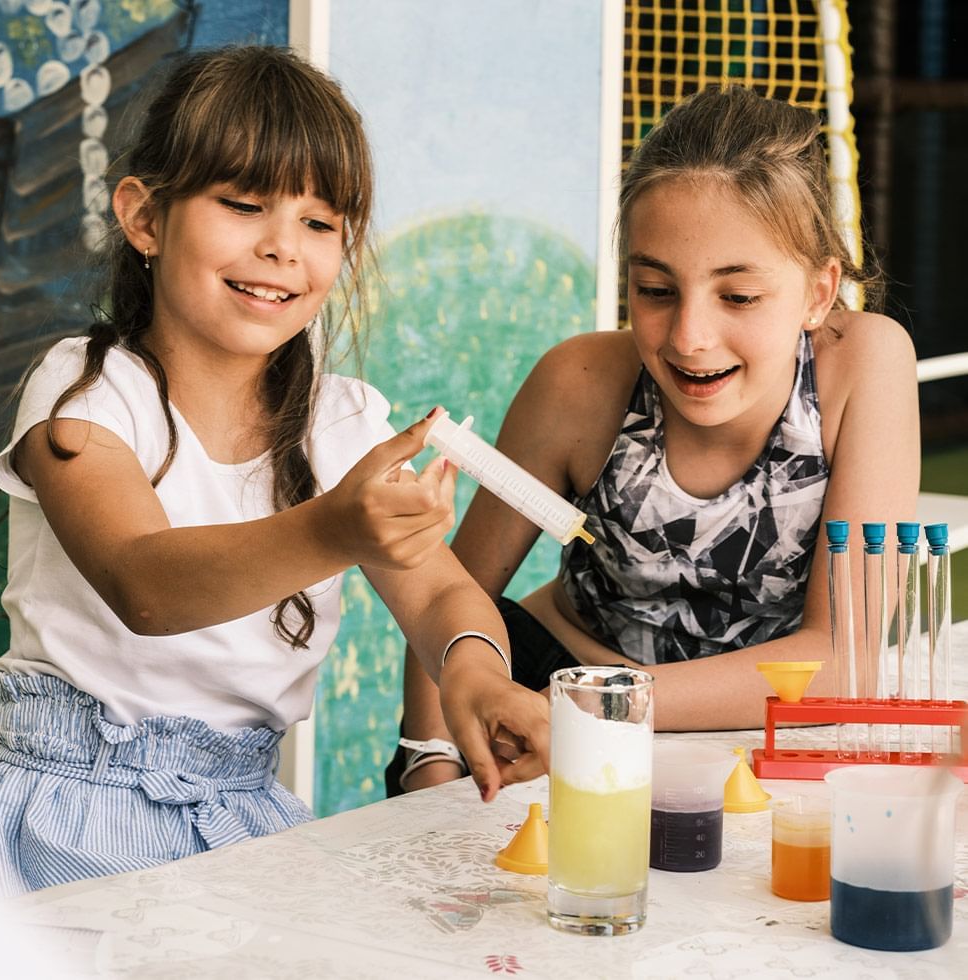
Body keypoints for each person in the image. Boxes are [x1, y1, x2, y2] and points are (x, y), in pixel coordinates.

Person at [0, 46, 548, 897]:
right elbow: (147, 586)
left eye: (320, 224)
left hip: (244, 820)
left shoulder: (343, 421)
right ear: (144, 218)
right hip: (62, 813)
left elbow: (438, 594)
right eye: (244, 204)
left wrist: (474, 672)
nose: (284, 248)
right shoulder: (87, 389)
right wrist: (336, 528)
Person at [389, 84, 919, 794]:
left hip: (721, 729)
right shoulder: (577, 383)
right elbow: (450, 599)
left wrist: (598, 708)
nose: (690, 338)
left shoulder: (864, 364)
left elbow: (840, 661)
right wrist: (429, 761)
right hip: (542, 704)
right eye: (656, 290)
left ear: (818, 293)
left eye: (737, 296)